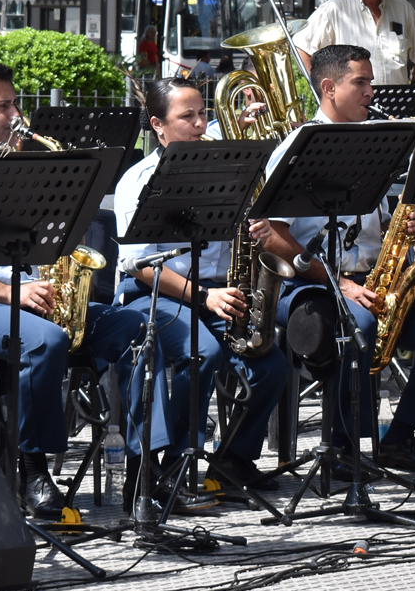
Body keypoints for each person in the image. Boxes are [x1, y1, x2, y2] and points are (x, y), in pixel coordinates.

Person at [0, 63, 146, 516]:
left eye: (14, 103)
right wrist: (9, 293)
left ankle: (140, 465)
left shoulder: (25, 168)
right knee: (46, 340)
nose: (16, 114)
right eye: (3, 105)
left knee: (136, 328)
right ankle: (32, 468)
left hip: (32, 296)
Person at [255, 45, 415, 469]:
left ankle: (400, 437)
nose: (372, 91)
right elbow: (271, 235)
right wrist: (339, 282)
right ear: (329, 88)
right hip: (309, 285)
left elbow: (375, 225)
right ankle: (345, 449)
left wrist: (409, 226)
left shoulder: (372, 141)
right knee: (361, 326)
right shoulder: (299, 147)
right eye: (362, 82)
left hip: (369, 280)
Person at [115, 77, 288, 488]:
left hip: (216, 291)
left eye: (202, 114)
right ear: (158, 125)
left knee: (271, 363)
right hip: (155, 293)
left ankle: (233, 461)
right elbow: (139, 265)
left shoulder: (225, 169)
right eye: (187, 116)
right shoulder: (138, 180)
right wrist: (206, 298)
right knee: (203, 352)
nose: (200, 124)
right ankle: (171, 461)